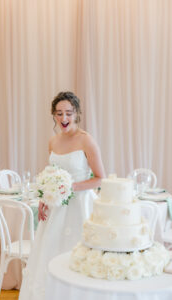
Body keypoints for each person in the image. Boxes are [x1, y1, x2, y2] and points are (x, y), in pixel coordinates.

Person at [19, 91, 105, 300]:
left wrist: (69, 187)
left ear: (77, 114)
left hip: (81, 206)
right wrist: (44, 198)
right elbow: (51, 174)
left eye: (68, 113)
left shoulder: (86, 140)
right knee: (50, 254)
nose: (64, 118)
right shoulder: (53, 141)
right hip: (56, 207)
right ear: (54, 115)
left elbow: (100, 178)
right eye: (59, 113)